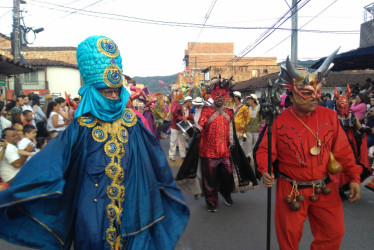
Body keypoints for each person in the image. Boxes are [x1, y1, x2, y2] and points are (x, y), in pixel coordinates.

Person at [0, 35, 188, 250]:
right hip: (91, 205)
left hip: (132, 202)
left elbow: (155, 164)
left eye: (116, 91)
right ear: (92, 92)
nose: (112, 95)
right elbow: (49, 163)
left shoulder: (132, 122)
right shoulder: (81, 126)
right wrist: (17, 191)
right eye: (106, 91)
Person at [255, 52, 361, 250]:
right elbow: (265, 151)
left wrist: (354, 177)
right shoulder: (278, 120)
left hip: (324, 187)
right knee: (289, 240)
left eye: (317, 93)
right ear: (293, 94)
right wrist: (265, 170)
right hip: (291, 189)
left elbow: (343, 151)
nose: (315, 98)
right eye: (307, 94)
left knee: (334, 233)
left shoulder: (329, 116)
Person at [177, 76, 258, 212]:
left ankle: (226, 194)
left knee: (228, 176)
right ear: (213, 96)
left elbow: (231, 131)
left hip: (225, 153)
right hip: (208, 153)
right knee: (209, 180)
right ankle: (212, 203)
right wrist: (194, 132)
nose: (220, 98)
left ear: (226, 96)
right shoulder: (206, 111)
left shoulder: (229, 112)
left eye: (222, 95)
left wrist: (232, 145)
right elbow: (200, 127)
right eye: (217, 95)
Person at [168, 96, 193, 161]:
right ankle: (171, 155)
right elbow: (175, 114)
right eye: (190, 101)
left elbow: (190, 117)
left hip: (183, 127)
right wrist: (182, 118)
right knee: (173, 141)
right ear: (187, 101)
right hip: (175, 127)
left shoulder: (189, 109)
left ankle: (183, 155)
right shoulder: (179, 106)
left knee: (182, 141)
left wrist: (190, 118)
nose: (191, 103)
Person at [245, 94, 262, 164]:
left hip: (256, 130)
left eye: (249, 99)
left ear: (253, 100)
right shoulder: (247, 108)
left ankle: (256, 157)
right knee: (248, 144)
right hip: (248, 129)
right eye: (248, 99)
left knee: (256, 145)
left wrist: (261, 127)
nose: (248, 101)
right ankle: (249, 158)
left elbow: (262, 119)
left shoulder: (259, 108)